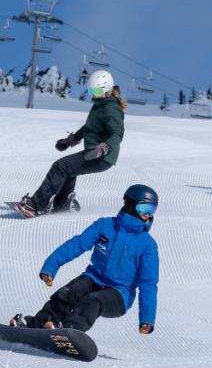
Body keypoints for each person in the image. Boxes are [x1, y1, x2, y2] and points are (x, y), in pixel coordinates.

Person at [10, 184, 160, 334]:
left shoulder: (147, 245)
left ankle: (70, 331)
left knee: (92, 301)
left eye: (152, 210)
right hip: (94, 278)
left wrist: (147, 319)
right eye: (144, 208)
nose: (148, 214)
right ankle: (37, 325)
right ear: (130, 205)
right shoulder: (105, 225)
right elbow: (77, 244)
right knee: (68, 293)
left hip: (120, 293)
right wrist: (52, 264)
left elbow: (149, 284)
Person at [15, 69, 126, 216]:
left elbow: (117, 134)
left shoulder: (111, 108)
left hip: (102, 156)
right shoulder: (101, 103)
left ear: (106, 89)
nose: (93, 93)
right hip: (95, 152)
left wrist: (103, 148)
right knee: (69, 169)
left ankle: (36, 205)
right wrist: (70, 141)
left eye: (97, 90)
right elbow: (89, 127)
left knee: (60, 166)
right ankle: (62, 205)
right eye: (91, 90)